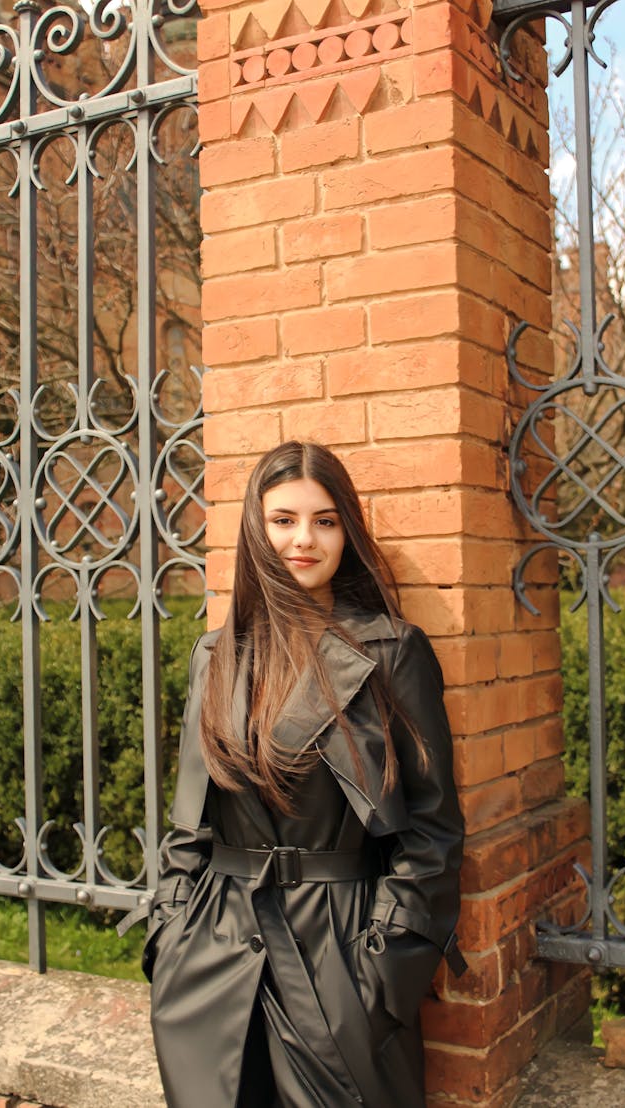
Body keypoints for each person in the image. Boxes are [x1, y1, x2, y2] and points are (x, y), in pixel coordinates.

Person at [143, 440, 465, 1108]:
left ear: (346, 531)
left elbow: (432, 835)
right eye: (284, 519)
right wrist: (169, 942)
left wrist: (382, 980)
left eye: (325, 520)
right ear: (257, 530)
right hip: (213, 959)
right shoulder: (217, 656)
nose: (304, 539)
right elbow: (187, 827)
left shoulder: (391, 652)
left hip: (340, 958)